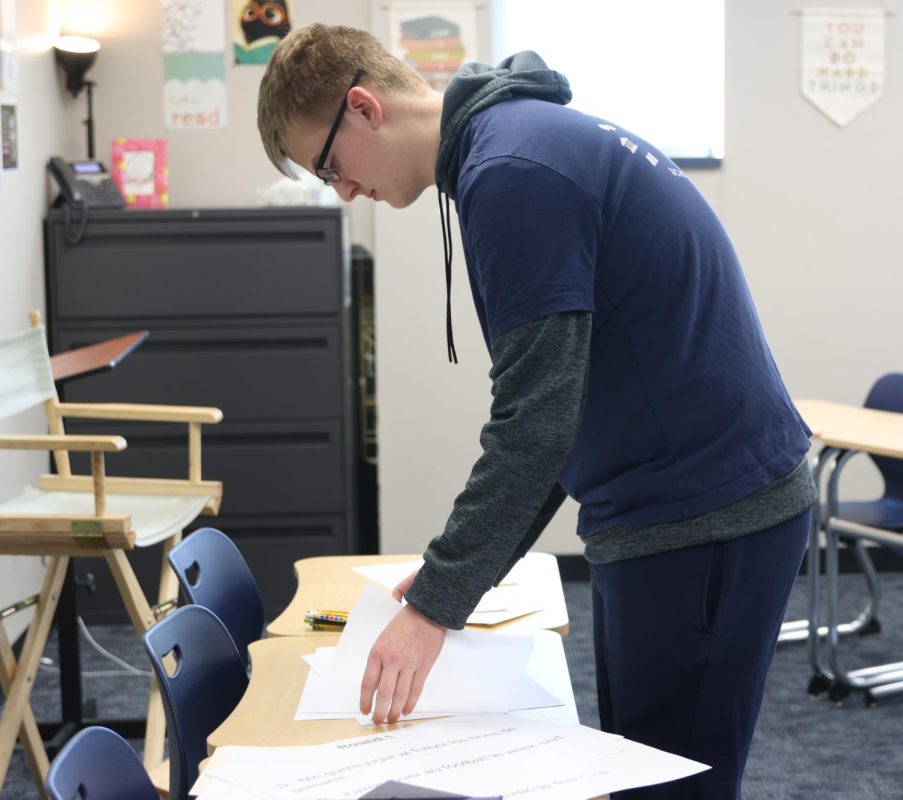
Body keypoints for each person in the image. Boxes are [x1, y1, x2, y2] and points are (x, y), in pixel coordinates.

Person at [257, 23, 817, 799]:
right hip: (679, 499)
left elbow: (537, 417)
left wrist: (437, 603)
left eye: (329, 167)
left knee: (671, 783)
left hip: (705, 511)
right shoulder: (516, 143)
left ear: (363, 108)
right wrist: (454, 577)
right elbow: (559, 407)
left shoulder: (512, 172)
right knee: (636, 770)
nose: (344, 193)